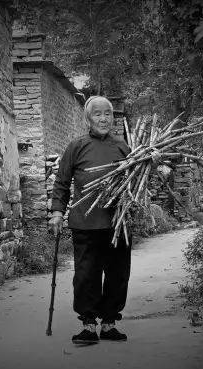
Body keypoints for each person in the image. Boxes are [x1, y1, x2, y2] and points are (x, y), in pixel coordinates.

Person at [48, 96, 132, 343]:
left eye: (108, 114)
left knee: (118, 274)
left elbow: (136, 179)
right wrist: (56, 213)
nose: (104, 118)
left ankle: (108, 323)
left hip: (118, 222)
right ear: (88, 118)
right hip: (85, 222)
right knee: (86, 275)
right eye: (98, 114)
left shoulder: (123, 147)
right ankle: (88, 324)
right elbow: (62, 183)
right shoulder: (76, 146)